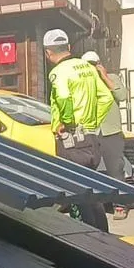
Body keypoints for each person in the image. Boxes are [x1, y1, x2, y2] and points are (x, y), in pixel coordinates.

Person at [43, 29, 114, 231]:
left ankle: (88, 239)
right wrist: (91, 123)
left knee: (75, 191)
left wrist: (66, 122)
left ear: (48, 53)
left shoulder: (58, 72)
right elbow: (107, 99)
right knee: (92, 191)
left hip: (70, 139)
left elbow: (64, 98)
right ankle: (103, 236)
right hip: (90, 137)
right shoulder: (87, 67)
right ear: (68, 47)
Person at [81, 51, 129, 220]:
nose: (92, 68)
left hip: (111, 130)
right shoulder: (84, 82)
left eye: (94, 64)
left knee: (115, 168)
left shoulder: (113, 78)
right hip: (91, 130)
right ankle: (96, 204)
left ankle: (120, 205)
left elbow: (122, 95)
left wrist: (105, 76)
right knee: (91, 168)